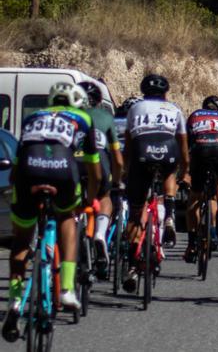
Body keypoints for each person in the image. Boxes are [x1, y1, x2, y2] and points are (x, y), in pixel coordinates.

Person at [3, 83, 99, 335]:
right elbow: (94, 169)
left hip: (28, 170)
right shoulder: (83, 118)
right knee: (67, 217)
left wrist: (18, 189)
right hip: (62, 169)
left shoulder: (32, 117)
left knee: (22, 239)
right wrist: (90, 198)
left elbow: (15, 167)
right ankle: (66, 288)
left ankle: (14, 301)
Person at [122, 74, 187, 293]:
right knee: (170, 172)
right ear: (165, 93)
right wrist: (184, 169)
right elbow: (183, 143)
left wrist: (126, 170)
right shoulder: (174, 109)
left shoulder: (134, 109)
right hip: (168, 148)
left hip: (141, 150)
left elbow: (129, 145)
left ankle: (131, 267)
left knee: (136, 212)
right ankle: (169, 215)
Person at [183, 95, 218, 264]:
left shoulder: (194, 116)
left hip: (200, 150)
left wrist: (184, 170)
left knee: (194, 197)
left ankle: (192, 243)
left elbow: (185, 145)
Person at [78, 80, 123, 280]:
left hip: (71, 162)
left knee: (70, 203)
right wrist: (117, 181)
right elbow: (117, 157)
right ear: (98, 101)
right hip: (99, 161)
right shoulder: (105, 116)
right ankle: (99, 234)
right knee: (104, 197)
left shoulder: (70, 115)